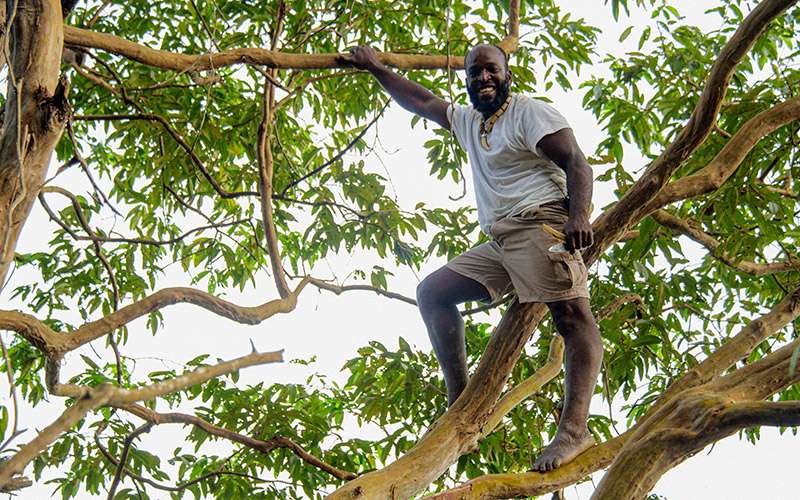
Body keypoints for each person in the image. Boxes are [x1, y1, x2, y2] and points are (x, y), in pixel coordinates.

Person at [344, 44, 602, 472]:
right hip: (501, 238)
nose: (482, 78)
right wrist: (376, 68)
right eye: (474, 73)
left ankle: (574, 430)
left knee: (572, 316)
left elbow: (578, 163)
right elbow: (422, 100)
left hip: (541, 222)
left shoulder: (529, 113)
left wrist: (580, 217)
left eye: (491, 70)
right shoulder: (469, 121)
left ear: (507, 75)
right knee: (432, 293)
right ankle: (461, 400)